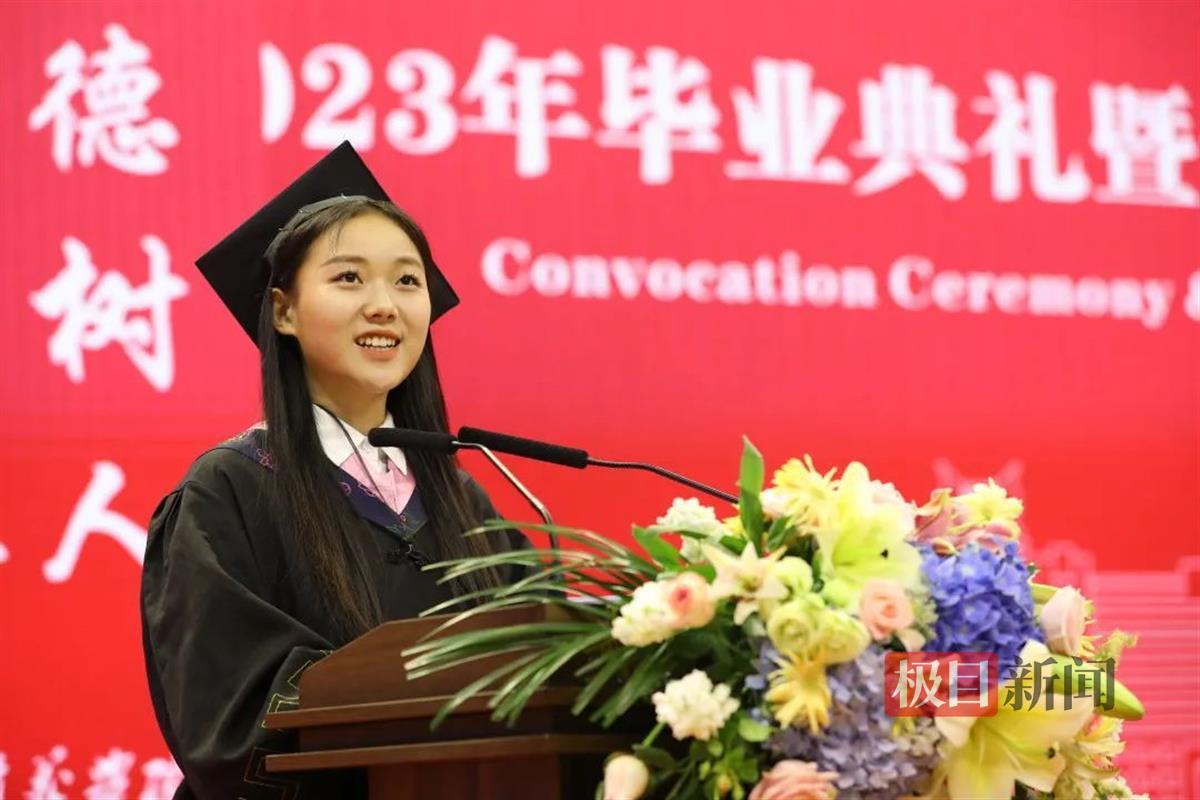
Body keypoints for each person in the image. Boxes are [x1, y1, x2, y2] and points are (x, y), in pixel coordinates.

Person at [139, 142, 528, 799]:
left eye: (407, 281)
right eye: (349, 278)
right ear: (283, 311)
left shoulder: (463, 500)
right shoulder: (230, 488)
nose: (384, 305)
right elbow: (230, 717)